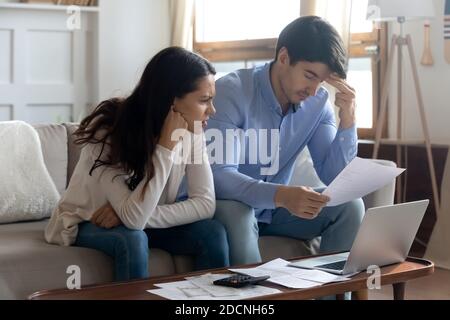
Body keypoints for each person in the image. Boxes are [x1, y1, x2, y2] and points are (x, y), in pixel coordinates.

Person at [45, 47, 229, 281]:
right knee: (132, 238)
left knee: (212, 232)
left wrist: (128, 215)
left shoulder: (193, 131)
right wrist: (164, 148)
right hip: (86, 220)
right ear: (171, 100)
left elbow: (204, 204)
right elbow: (134, 222)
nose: (212, 110)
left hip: (139, 218)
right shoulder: (109, 130)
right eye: (204, 100)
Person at [202, 16, 365, 265]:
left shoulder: (318, 103)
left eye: (321, 81)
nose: (313, 90)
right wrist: (281, 195)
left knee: (350, 206)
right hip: (227, 206)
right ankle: (257, 300)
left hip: (275, 212)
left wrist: (348, 121)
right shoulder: (231, 92)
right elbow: (220, 177)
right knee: (239, 212)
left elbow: (335, 177)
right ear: (284, 57)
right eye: (309, 76)